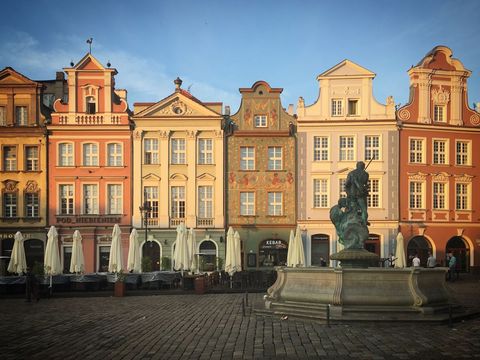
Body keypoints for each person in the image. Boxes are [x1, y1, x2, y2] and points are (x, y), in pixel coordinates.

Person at [345, 161, 369, 226]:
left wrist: (348, 193)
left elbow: (346, 184)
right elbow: (365, 185)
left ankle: (350, 221)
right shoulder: (366, 174)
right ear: (363, 167)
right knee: (364, 210)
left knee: (351, 209)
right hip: (361, 195)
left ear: (356, 166)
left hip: (352, 194)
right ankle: (364, 222)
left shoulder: (351, 173)